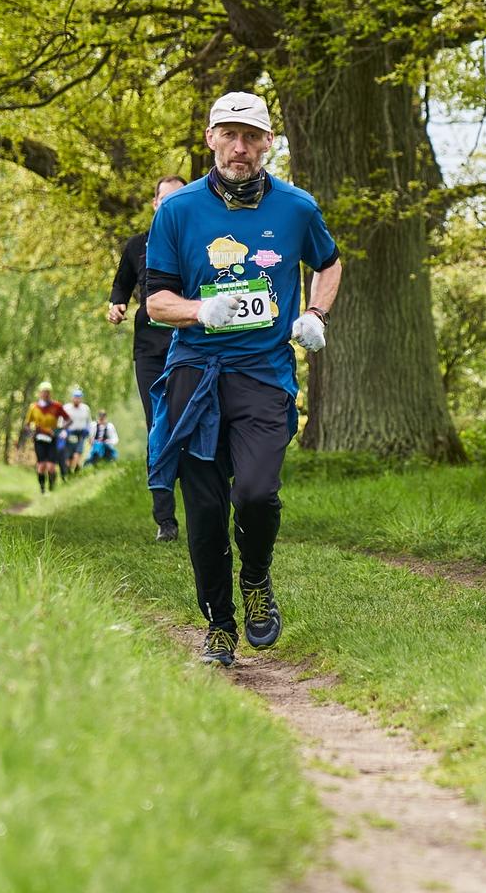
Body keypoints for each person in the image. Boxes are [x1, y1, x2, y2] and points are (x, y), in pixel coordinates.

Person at [146, 91, 342, 667]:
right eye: (229, 135)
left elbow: (328, 262)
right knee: (204, 512)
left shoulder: (297, 208)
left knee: (255, 493)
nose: (240, 147)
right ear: (209, 139)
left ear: (268, 143)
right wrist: (198, 312)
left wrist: (314, 313)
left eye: (251, 136)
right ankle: (219, 625)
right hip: (195, 375)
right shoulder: (177, 211)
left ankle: (256, 579)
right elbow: (155, 300)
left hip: (263, 375)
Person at [110, 175, 188, 539]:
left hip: (192, 345)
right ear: (155, 203)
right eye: (164, 199)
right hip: (150, 350)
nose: (170, 205)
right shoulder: (137, 245)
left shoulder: (199, 242)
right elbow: (121, 283)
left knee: (196, 423)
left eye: (178, 198)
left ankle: (211, 504)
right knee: (158, 425)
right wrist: (116, 305)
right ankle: (165, 520)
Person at [24, 381, 66, 494]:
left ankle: (52, 486)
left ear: (50, 393)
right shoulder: (34, 407)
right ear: (40, 393)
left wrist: (58, 430)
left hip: (52, 439)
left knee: (51, 466)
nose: (45, 394)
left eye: (47, 392)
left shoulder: (57, 406)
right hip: (39, 439)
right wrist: (31, 434)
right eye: (43, 392)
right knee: (41, 466)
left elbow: (68, 419)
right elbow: (27, 425)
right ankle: (42, 489)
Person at [60, 386, 93, 479]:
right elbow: (61, 421)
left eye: (79, 398)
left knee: (77, 454)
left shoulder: (85, 408)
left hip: (81, 434)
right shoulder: (66, 408)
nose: (77, 400)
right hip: (69, 434)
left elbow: (89, 422)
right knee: (69, 456)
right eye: (75, 397)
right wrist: (61, 431)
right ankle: (70, 472)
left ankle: (72, 470)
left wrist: (90, 436)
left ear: (81, 399)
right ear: (72, 398)